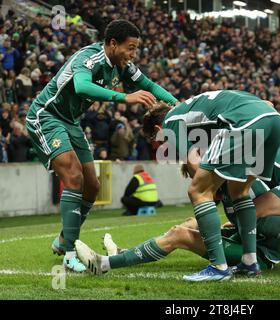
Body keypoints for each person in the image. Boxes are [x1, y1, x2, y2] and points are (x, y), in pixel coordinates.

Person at [25, 19, 178, 273]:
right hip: (46, 116)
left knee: (93, 186)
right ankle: (70, 253)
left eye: (136, 48)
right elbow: (81, 85)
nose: (133, 54)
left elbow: (149, 86)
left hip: (70, 121)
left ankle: (63, 238)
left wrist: (179, 106)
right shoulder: (89, 58)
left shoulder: (123, 66)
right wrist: (123, 97)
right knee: (73, 176)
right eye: (130, 48)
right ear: (113, 43)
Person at [75, 142, 280, 276]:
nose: (196, 180)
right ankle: (125, 254)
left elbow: (255, 217)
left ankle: (105, 264)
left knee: (180, 235)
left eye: (196, 173)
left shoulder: (239, 180)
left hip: (261, 255)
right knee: (186, 226)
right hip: (249, 242)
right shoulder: (221, 186)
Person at [140, 90, 280, 281]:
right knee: (239, 191)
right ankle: (249, 262)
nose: (158, 146)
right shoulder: (195, 109)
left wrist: (208, 188)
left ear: (159, 130)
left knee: (197, 191)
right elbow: (267, 103)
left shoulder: (171, 121)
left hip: (245, 123)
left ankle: (218, 267)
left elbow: (194, 163)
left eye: (155, 140)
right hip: (274, 120)